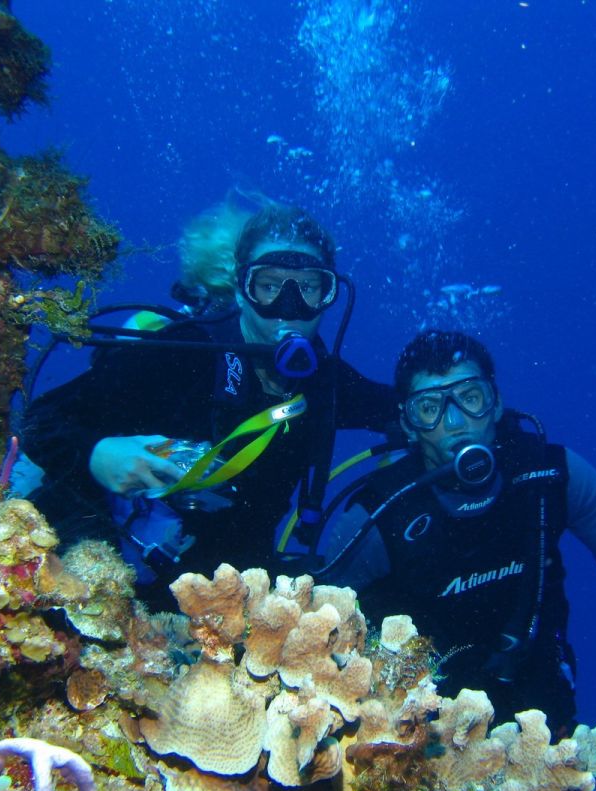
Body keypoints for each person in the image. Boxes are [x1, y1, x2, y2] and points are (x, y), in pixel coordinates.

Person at [321, 330, 596, 775]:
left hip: (539, 728)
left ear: (496, 402)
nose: (455, 422)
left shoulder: (553, 477)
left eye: (470, 397)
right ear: (407, 423)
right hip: (413, 739)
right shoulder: (378, 515)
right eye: (429, 407)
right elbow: (319, 618)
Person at [21, 201, 397, 606]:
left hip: (236, 588)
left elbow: (404, 409)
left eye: (308, 288)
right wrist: (98, 454)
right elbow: (41, 420)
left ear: (328, 294)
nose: (289, 309)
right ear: (241, 289)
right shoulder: (184, 354)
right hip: (120, 570)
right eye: (269, 286)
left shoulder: (328, 385)